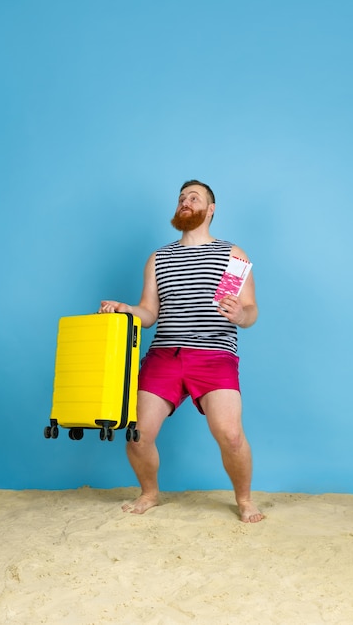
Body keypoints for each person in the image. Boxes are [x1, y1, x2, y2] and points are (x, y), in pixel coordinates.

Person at [99, 180, 264, 523]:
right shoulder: (159, 258)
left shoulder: (231, 255)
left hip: (215, 356)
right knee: (138, 435)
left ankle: (245, 500)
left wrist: (240, 314)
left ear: (211, 209)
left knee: (231, 436)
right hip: (165, 356)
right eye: (181, 199)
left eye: (194, 197)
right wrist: (126, 308)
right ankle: (149, 493)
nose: (185, 202)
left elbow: (249, 311)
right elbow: (149, 314)